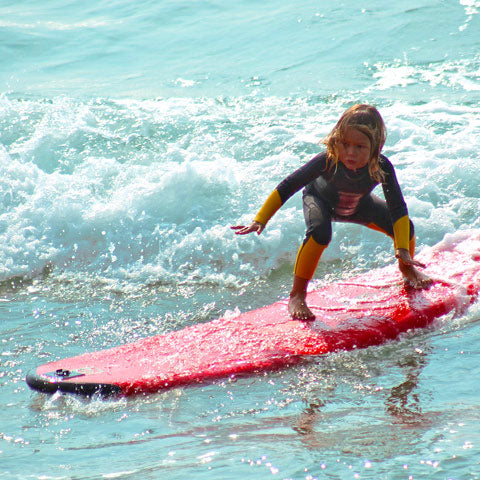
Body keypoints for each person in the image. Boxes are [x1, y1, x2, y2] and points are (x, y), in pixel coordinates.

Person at [232, 104, 432, 321]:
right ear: (337, 139)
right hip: (320, 201)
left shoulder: (381, 166)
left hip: (359, 206)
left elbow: (398, 208)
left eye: (360, 146)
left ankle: (407, 270)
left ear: (376, 147)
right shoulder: (327, 160)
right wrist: (260, 219)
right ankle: (297, 295)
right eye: (345, 144)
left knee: (405, 226)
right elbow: (289, 185)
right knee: (320, 233)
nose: (350, 152)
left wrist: (402, 249)